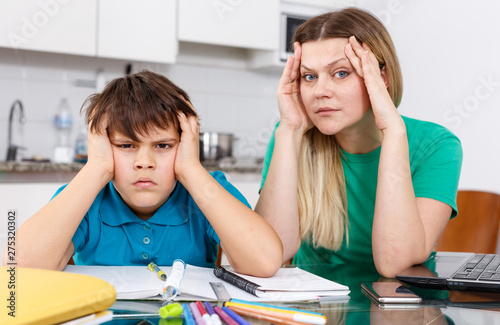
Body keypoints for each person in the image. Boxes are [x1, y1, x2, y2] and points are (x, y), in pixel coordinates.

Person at [5, 70, 282, 277]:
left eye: (163, 145)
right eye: (126, 145)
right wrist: (96, 168)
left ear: (185, 144)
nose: (144, 162)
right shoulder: (85, 197)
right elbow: (18, 270)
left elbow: (265, 262)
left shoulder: (207, 191)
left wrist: (191, 169)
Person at [255, 8, 462, 278]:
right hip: (315, 307)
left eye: (341, 73)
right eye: (309, 76)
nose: (320, 92)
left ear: (381, 78)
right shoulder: (290, 136)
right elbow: (269, 253)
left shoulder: (437, 145)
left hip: (403, 306)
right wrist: (289, 131)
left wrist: (393, 131)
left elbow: (394, 263)